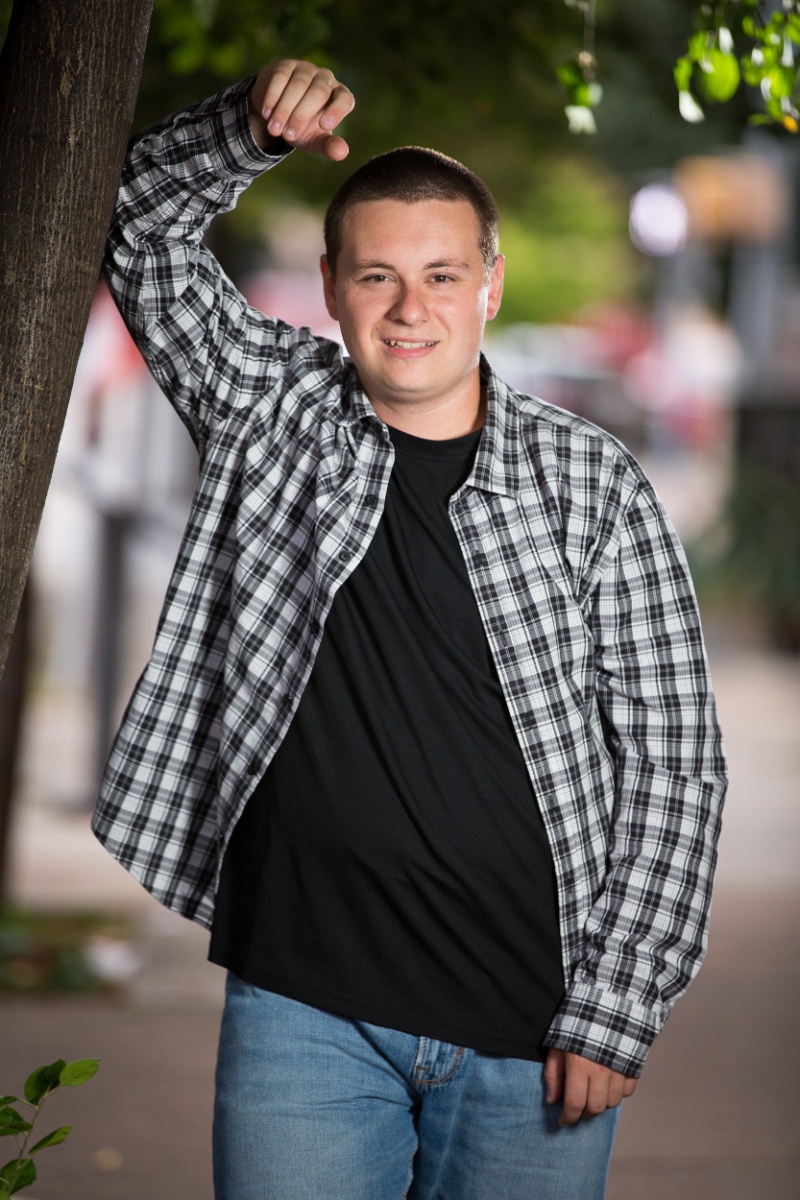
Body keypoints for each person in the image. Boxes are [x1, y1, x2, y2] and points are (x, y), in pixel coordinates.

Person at [93, 59, 727, 1200]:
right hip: (304, 1007)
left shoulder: (592, 483)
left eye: (440, 274)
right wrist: (248, 129)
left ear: (489, 285)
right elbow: (140, 228)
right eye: (375, 275)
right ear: (330, 288)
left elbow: (673, 764)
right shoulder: (270, 410)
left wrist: (616, 1008)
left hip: (531, 1025)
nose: (407, 307)